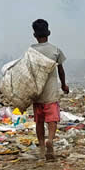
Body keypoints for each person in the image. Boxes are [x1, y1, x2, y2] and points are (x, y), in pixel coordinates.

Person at [30, 19, 68, 161]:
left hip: (37, 92)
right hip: (51, 92)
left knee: (39, 121)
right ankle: (50, 140)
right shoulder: (55, 50)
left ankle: (41, 148)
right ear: (49, 33)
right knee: (52, 120)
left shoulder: (31, 51)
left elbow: (26, 72)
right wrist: (64, 85)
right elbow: (61, 70)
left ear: (34, 35)